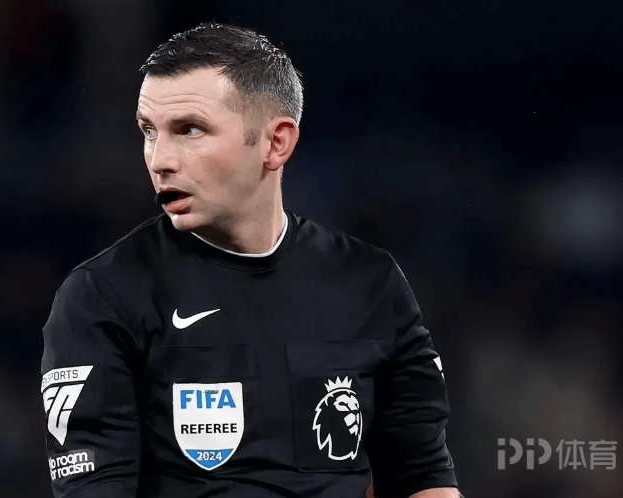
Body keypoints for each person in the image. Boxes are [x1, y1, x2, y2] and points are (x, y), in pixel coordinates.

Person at [41, 23, 461, 498]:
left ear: (276, 143)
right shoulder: (102, 296)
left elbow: (423, 480)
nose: (159, 160)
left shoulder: (370, 283)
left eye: (189, 129)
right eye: (149, 131)